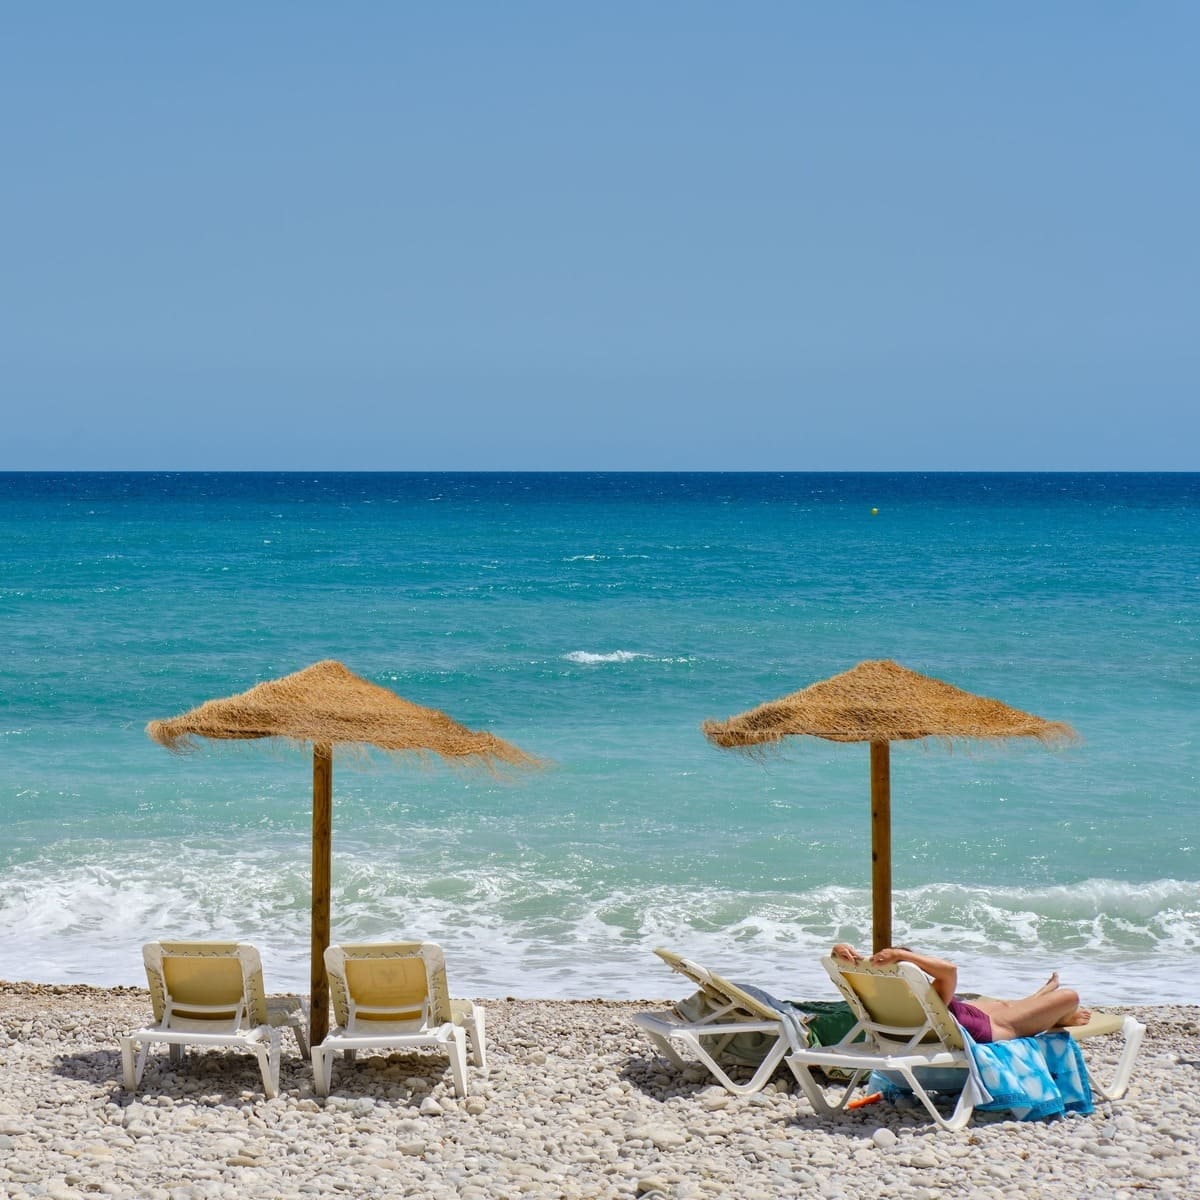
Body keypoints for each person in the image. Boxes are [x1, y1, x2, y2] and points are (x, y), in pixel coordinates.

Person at [830, 943, 1091, 1044]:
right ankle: (1061, 1016)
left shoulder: (880, 996)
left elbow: (847, 970)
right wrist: (901, 955)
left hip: (966, 1015)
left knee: (1003, 1003)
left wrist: (838, 951)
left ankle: (1042, 994)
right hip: (994, 1028)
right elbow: (950, 971)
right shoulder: (929, 995)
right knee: (1070, 996)